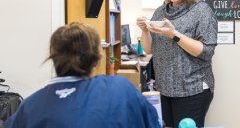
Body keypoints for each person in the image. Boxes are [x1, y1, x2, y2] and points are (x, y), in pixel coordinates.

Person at [4, 22, 161, 128]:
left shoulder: (29, 107)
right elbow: (154, 123)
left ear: (53, 57)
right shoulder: (120, 89)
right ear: (96, 59)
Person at [136, 0, 218, 128]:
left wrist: (175, 35)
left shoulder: (201, 11)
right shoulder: (160, 11)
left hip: (192, 90)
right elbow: (149, 49)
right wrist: (145, 31)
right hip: (164, 89)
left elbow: (206, 51)